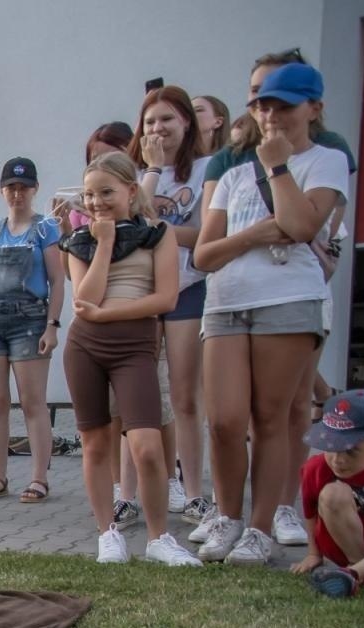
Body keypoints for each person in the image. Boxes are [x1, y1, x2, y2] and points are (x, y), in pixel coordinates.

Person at [196, 49, 358, 554]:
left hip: (288, 300)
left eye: (283, 105)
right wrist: (257, 234)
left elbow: (305, 225)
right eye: (263, 106)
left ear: (313, 107)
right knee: (223, 421)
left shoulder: (326, 159)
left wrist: (279, 169)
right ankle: (227, 516)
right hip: (225, 303)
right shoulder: (233, 175)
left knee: (271, 417)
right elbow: (204, 254)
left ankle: (260, 528)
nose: (270, 116)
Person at [61, 152, 196, 566]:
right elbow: (86, 300)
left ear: (131, 191)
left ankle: (159, 539)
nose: (97, 202)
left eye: (106, 192)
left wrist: (108, 313)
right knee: (95, 444)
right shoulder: (80, 241)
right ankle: (108, 533)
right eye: (89, 195)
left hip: (136, 347)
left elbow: (165, 298)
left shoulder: (158, 232)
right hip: (86, 347)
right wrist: (103, 243)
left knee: (148, 446)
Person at [0, 158, 63, 506]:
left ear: (34, 189)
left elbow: (57, 281)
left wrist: (52, 324)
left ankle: (39, 478)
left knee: (32, 402)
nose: (17, 193)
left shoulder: (45, 229)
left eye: (23, 187)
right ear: (3, 191)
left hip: (30, 321)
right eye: (11, 187)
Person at [131, 86, 209, 519]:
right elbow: (136, 224)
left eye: (167, 119)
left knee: (184, 395)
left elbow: (206, 233)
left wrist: (159, 230)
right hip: (143, 292)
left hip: (187, 288)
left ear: (186, 123)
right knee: (142, 396)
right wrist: (154, 170)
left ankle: (195, 488)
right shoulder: (144, 174)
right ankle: (152, 486)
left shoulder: (206, 168)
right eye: (150, 122)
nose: (158, 129)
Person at [291, 390, 364, 598]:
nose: (337, 459)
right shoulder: (316, 468)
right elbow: (310, 511)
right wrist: (314, 554)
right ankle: (357, 569)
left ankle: (351, 575)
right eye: (331, 445)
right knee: (332, 494)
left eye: (351, 450)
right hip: (344, 543)